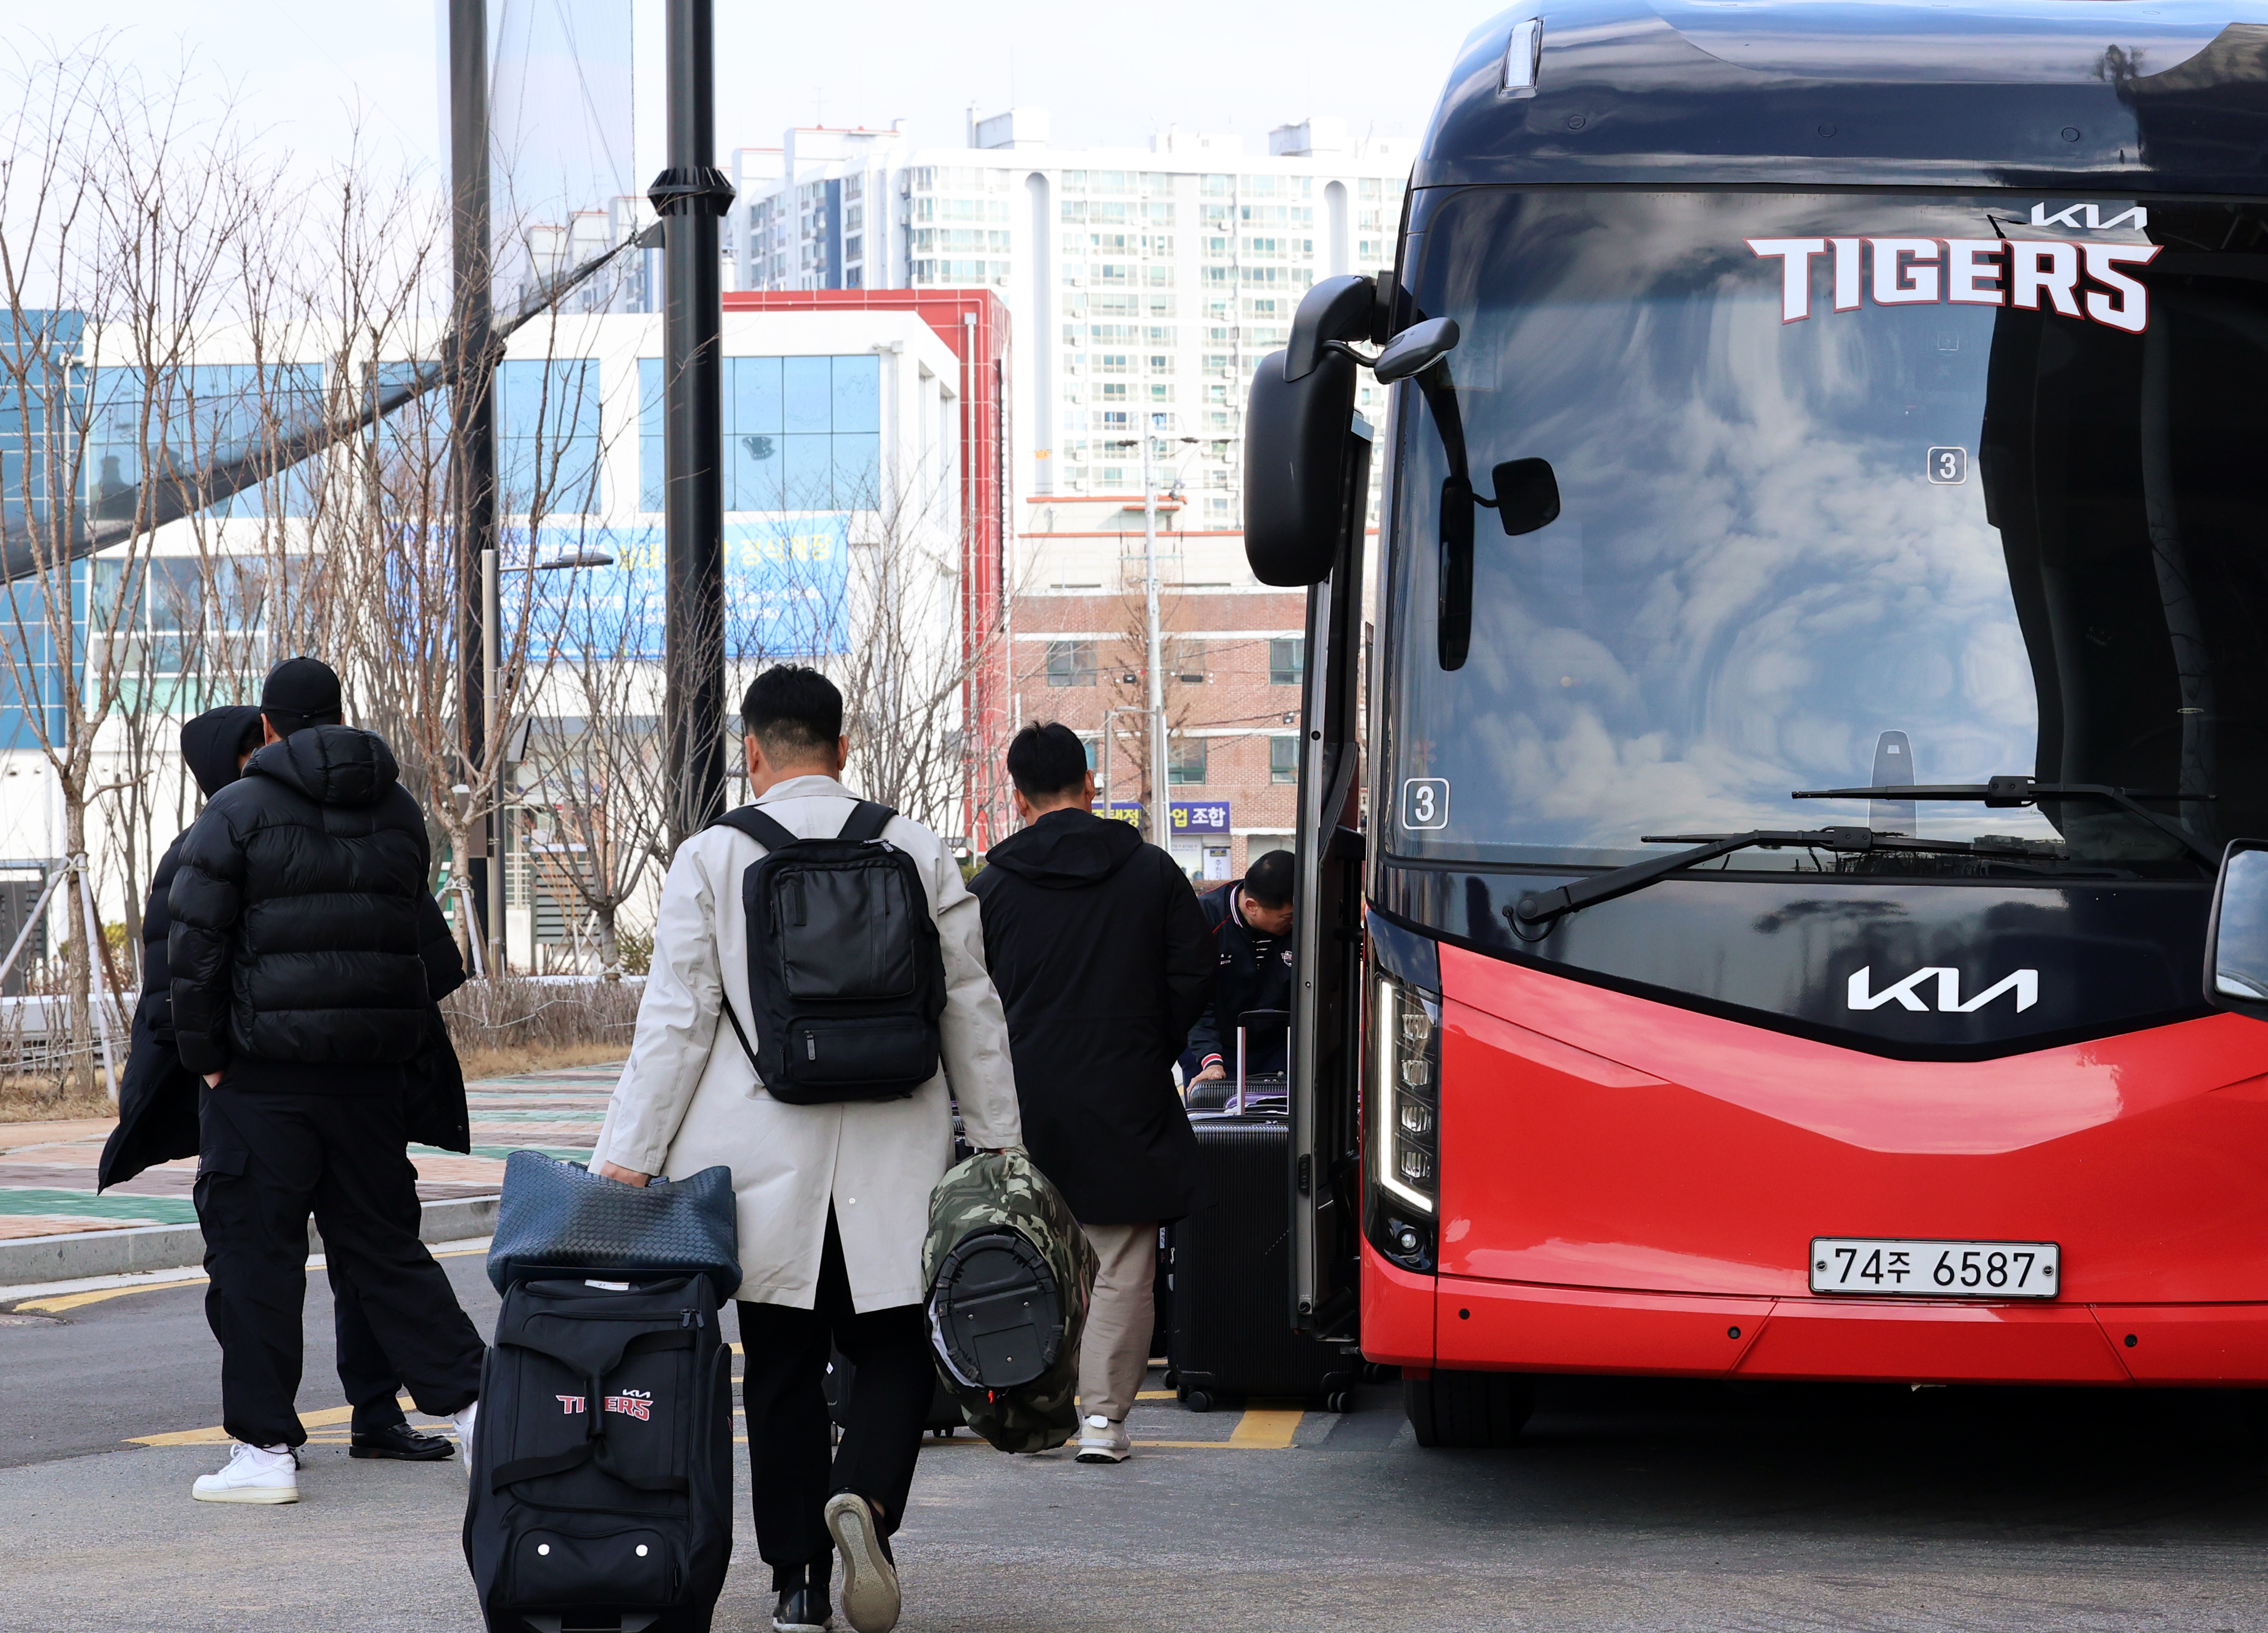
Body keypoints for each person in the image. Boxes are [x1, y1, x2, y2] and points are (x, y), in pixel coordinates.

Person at [589, 665, 1021, 1633]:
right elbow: (971, 1006)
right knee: (897, 1346)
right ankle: (863, 1498)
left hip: (758, 1159)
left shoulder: (710, 856)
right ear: (842, 745)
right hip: (894, 1145)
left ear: (752, 752)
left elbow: (677, 1021)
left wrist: (629, 1155)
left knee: (778, 1366)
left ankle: (797, 1584)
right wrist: (996, 1141)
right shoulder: (914, 845)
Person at [100, 704, 463, 1465]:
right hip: (368, 1083)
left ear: (269, 727)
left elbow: (186, 964)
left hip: (260, 1082)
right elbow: (433, 956)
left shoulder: (233, 816)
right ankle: (478, 1411)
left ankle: (265, 1449)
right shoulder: (395, 811)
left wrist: (205, 1061)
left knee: (253, 1257)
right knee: (384, 1249)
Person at [969, 722, 1211, 1465]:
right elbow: (1195, 975)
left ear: (1017, 799)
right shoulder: (1151, 873)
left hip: (1022, 1100)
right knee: (1122, 1266)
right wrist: (1148, 1048)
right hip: (1126, 1094)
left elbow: (966, 997)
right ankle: (1103, 1420)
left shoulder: (992, 887)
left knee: (1025, 1258)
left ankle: (1030, 1409)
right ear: (1091, 786)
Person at [1184, 848, 1297, 1089]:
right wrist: (1211, 1060)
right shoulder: (1204, 919)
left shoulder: (1304, 923)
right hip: (1213, 1045)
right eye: (1287, 918)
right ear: (1252, 906)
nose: (1294, 923)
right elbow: (1192, 1000)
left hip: (1277, 1047)